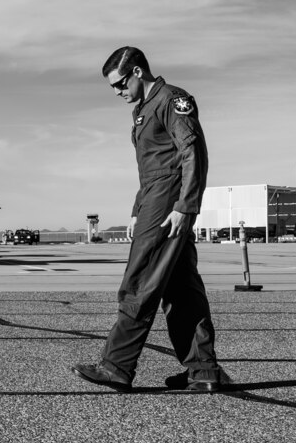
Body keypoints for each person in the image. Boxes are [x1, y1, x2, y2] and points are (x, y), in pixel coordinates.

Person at [71, 47, 230, 393]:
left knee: (140, 281)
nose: (117, 92)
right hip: (156, 200)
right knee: (182, 289)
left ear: (138, 72)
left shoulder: (172, 100)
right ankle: (203, 371)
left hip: (168, 203)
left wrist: (185, 206)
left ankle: (116, 367)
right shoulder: (144, 109)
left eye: (119, 84)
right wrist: (136, 208)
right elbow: (153, 167)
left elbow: (192, 154)